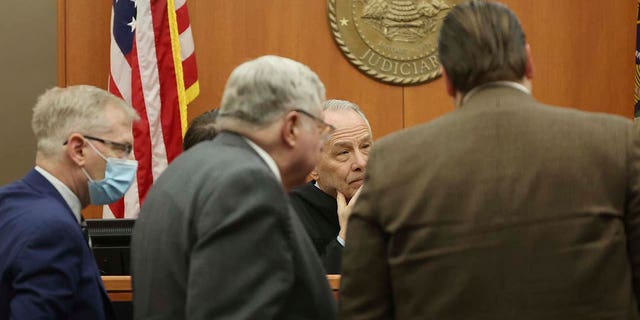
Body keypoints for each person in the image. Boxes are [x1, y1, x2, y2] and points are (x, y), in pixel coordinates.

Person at [338, 1, 640, 319]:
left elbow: (362, 309)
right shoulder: (618, 143)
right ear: (529, 62)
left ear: (448, 78)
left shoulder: (392, 162)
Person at [131, 55, 337, 319]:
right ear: (292, 127)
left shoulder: (183, 170)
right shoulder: (247, 185)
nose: (321, 143)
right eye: (319, 128)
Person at [0, 85, 139, 319]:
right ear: (79, 150)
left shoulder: (9, 202)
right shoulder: (53, 231)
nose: (132, 161)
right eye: (123, 148)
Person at [289, 99, 372, 273]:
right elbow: (309, 293)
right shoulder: (290, 214)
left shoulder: (395, 201)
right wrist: (346, 237)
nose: (361, 162)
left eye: (365, 147)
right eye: (343, 152)